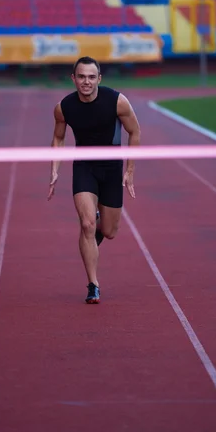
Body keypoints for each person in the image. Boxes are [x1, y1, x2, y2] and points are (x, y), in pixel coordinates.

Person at [48, 56, 141, 304]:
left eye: (91, 77)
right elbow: (58, 138)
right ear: (73, 79)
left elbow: (134, 132)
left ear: (99, 78)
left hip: (111, 169)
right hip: (84, 167)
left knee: (109, 232)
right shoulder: (64, 107)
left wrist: (130, 170)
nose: (86, 82)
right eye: (81, 77)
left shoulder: (117, 101)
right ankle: (93, 284)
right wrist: (54, 168)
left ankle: (98, 226)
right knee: (87, 224)